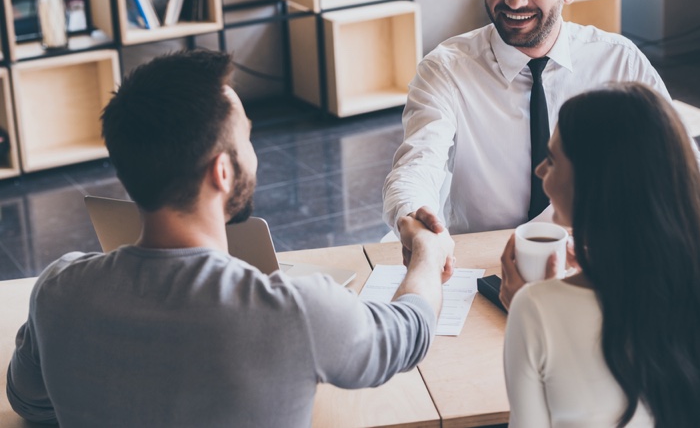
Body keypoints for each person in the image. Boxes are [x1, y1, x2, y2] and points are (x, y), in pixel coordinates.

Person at [6, 49, 455, 427]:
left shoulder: (58, 291)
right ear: (222, 171)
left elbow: (26, 399)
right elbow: (409, 332)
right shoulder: (295, 312)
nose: (254, 155)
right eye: (247, 140)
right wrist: (427, 255)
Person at [382, 0, 700, 236]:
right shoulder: (446, 69)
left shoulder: (619, 61)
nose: (514, 0)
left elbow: (685, 166)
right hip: (482, 256)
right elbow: (416, 164)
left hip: (592, 253)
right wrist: (413, 214)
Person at [499, 82, 700, 427]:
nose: (541, 170)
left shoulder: (535, 309)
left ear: (595, 185)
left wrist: (530, 305)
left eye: (553, 161)